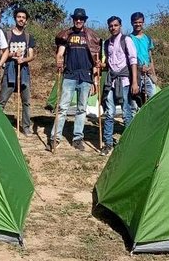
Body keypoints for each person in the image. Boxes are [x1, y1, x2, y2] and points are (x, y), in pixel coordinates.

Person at [50, 8, 101, 151]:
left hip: (86, 76)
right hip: (70, 75)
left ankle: (77, 138)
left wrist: (95, 81)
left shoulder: (91, 36)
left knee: (81, 109)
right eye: (76, 18)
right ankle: (55, 137)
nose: (79, 21)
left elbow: (96, 60)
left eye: (81, 19)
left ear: (84, 20)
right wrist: (59, 60)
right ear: (73, 19)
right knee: (62, 107)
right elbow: (60, 53)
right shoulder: (66, 35)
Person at [100, 16, 138, 156]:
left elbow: (133, 61)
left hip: (125, 81)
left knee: (126, 111)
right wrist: (101, 65)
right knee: (109, 112)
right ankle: (108, 143)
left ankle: (128, 142)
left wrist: (134, 82)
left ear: (120, 26)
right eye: (111, 26)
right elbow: (108, 63)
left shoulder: (126, 40)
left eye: (115, 25)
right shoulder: (107, 43)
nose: (113, 28)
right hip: (111, 80)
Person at [0, 7, 36, 135]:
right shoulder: (7, 35)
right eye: (19, 17)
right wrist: (12, 54)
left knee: (26, 101)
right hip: (9, 70)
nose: (21, 19)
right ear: (15, 18)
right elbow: (1, 53)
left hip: (23, 70)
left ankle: (26, 126)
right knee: (2, 100)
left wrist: (23, 59)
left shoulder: (28, 37)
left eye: (23, 18)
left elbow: (31, 55)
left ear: (26, 21)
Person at [129, 12, 157, 105]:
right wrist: (139, 68)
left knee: (153, 97)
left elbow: (150, 56)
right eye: (135, 22)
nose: (138, 24)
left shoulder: (148, 39)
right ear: (132, 23)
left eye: (140, 22)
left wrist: (153, 74)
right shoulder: (129, 39)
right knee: (135, 99)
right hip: (135, 73)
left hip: (148, 73)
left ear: (143, 22)